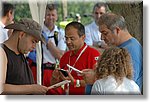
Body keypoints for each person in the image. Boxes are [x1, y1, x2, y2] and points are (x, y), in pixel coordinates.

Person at [82, 12, 143, 92]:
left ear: (117, 30)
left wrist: (94, 77)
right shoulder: (123, 47)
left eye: (105, 33)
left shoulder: (131, 50)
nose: (102, 38)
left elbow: (123, 85)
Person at [0, 18, 48, 95]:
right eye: (33, 41)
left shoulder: (21, 52)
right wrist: (32, 88)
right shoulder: (2, 52)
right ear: (21, 35)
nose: (34, 47)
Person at [51, 21, 100, 95]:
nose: (68, 42)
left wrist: (76, 82)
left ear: (83, 37)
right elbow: (54, 84)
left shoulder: (93, 54)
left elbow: (98, 80)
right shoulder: (65, 56)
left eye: (72, 38)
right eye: (66, 38)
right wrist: (54, 77)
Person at [27, 4, 66, 94]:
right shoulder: (36, 30)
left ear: (57, 16)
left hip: (52, 71)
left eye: (53, 15)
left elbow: (60, 55)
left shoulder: (60, 33)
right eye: (48, 15)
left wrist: (47, 42)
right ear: (44, 16)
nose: (50, 17)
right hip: (35, 68)